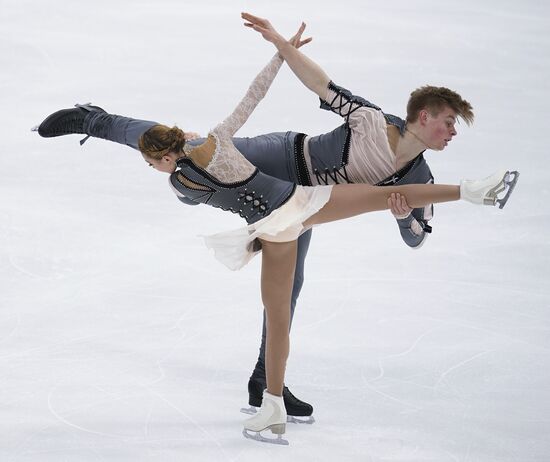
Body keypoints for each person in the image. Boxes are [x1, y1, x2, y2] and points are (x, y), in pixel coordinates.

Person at [34, 25, 518, 445]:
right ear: (425, 115)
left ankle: (266, 385)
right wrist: (280, 46)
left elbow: (418, 236)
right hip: (281, 157)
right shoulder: (372, 119)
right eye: (450, 122)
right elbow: (320, 83)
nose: (452, 133)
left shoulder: (419, 179)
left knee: (289, 290)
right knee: (190, 146)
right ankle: (95, 120)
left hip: (298, 205)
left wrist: (400, 218)